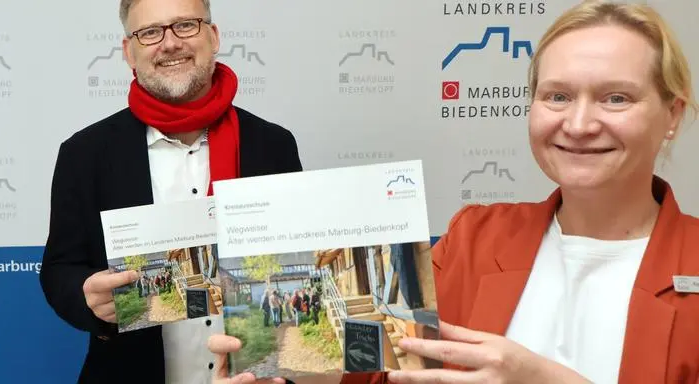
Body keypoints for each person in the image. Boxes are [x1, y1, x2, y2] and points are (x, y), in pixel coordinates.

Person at [211, 1, 699, 383]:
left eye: (616, 98)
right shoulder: (475, 237)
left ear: (672, 114)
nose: (579, 123)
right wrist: (295, 369)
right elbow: (389, 371)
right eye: (558, 96)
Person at [38, 0, 303, 381]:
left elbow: (296, 263)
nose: (169, 43)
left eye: (185, 26)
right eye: (150, 32)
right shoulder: (86, 153)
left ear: (213, 37)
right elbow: (59, 269)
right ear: (129, 51)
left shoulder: (272, 144)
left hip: (254, 376)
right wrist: (87, 296)